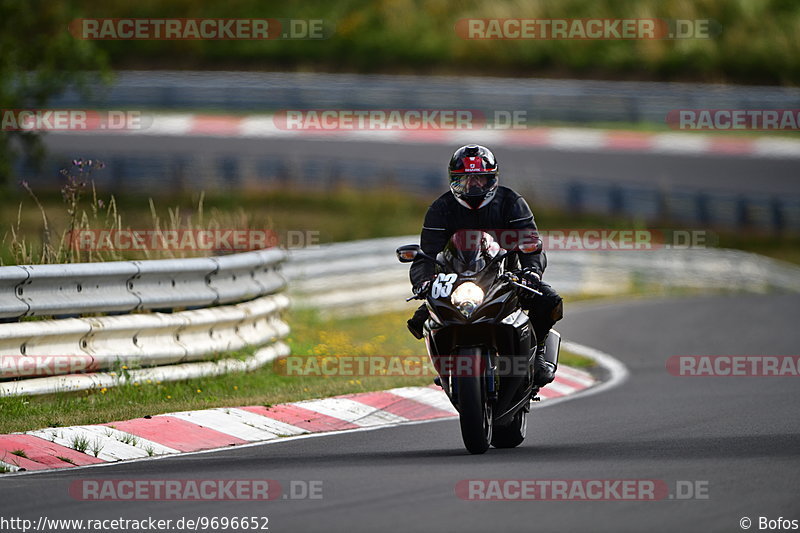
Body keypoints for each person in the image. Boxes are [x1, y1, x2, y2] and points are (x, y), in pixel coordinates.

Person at [406, 144, 563, 387]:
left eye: (480, 178)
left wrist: (531, 271)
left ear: (492, 179)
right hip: (455, 282)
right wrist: (423, 282)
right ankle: (447, 363)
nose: (473, 185)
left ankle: (538, 352)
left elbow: (531, 243)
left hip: (506, 277)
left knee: (550, 301)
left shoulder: (512, 202)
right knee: (421, 321)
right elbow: (426, 255)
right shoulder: (441, 208)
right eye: (465, 179)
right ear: (453, 180)